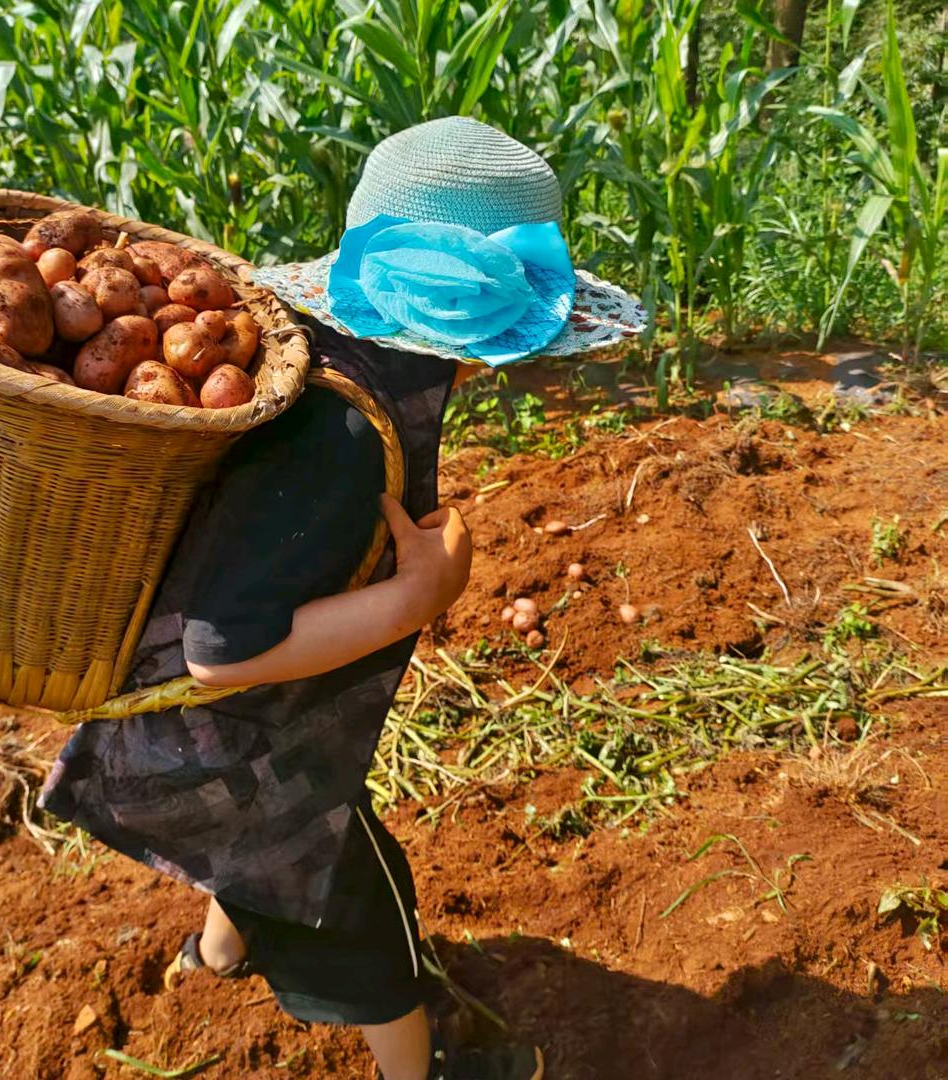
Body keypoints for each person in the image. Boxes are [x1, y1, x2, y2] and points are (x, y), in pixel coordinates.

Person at [41, 116, 644, 1080]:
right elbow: (223, 652)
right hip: (225, 739)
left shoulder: (342, 370)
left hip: (200, 738)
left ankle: (215, 957)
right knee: (357, 906)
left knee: (251, 856)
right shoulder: (339, 436)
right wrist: (419, 595)